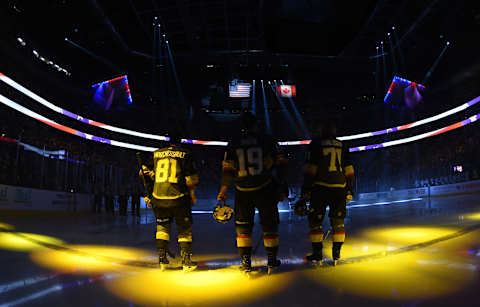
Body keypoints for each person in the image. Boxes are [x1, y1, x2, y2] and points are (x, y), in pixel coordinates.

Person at [217, 112, 288, 274]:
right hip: (265, 188)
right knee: (269, 226)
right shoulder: (267, 139)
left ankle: (246, 262)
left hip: (242, 190)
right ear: (256, 124)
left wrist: (223, 189)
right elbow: (282, 163)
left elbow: (227, 169)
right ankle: (271, 262)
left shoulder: (233, 142)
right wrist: (282, 185)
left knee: (243, 228)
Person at [140, 131, 199, 272]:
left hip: (159, 197)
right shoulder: (185, 154)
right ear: (180, 140)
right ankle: (186, 262)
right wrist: (192, 194)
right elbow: (191, 178)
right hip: (179, 197)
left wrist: (149, 191)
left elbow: (142, 172)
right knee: (184, 229)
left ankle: (162, 260)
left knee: (162, 227)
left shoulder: (156, 153)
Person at [301, 120, 354, 265]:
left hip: (321, 187)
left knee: (315, 222)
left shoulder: (316, 144)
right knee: (338, 223)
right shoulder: (343, 145)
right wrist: (349, 189)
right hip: (340, 187)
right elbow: (349, 170)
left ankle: (317, 255)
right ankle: (336, 255)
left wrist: (305, 190)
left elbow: (310, 169)